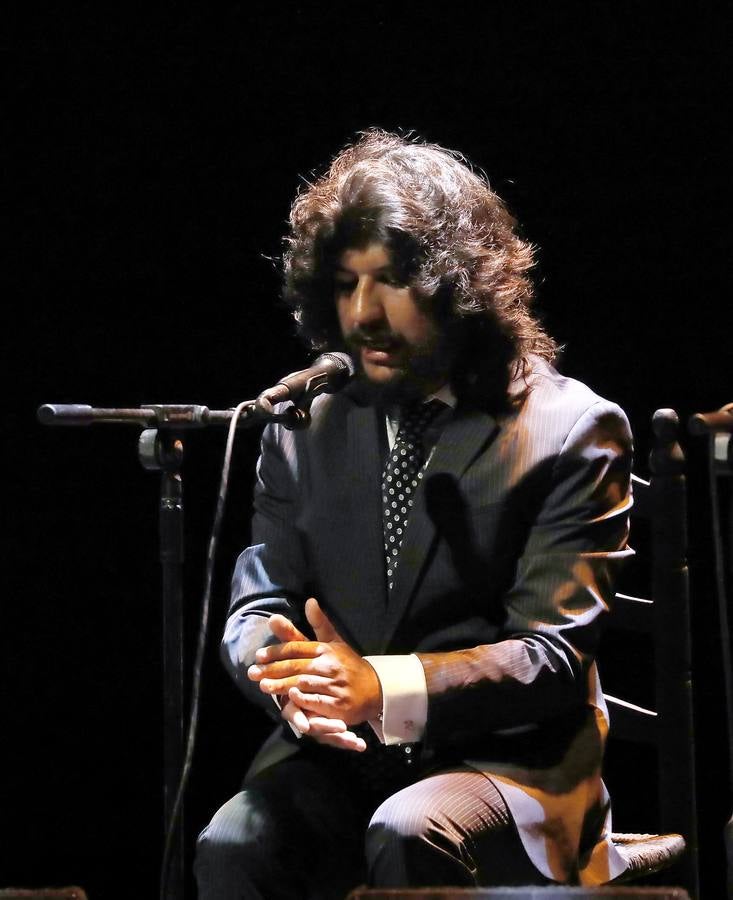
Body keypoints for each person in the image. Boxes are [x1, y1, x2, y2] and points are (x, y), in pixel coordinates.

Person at [195, 130, 633, 898]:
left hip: (508, 766)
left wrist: (381, 686)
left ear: (458, 284)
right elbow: (260, 600)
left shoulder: (569, 428)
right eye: (343, 282)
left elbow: (553, 656)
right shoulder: (304, 425)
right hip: (341, 758)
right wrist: (291, 682)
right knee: (234, 841)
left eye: (392, 281)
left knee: (409, 828)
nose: (362, 313)